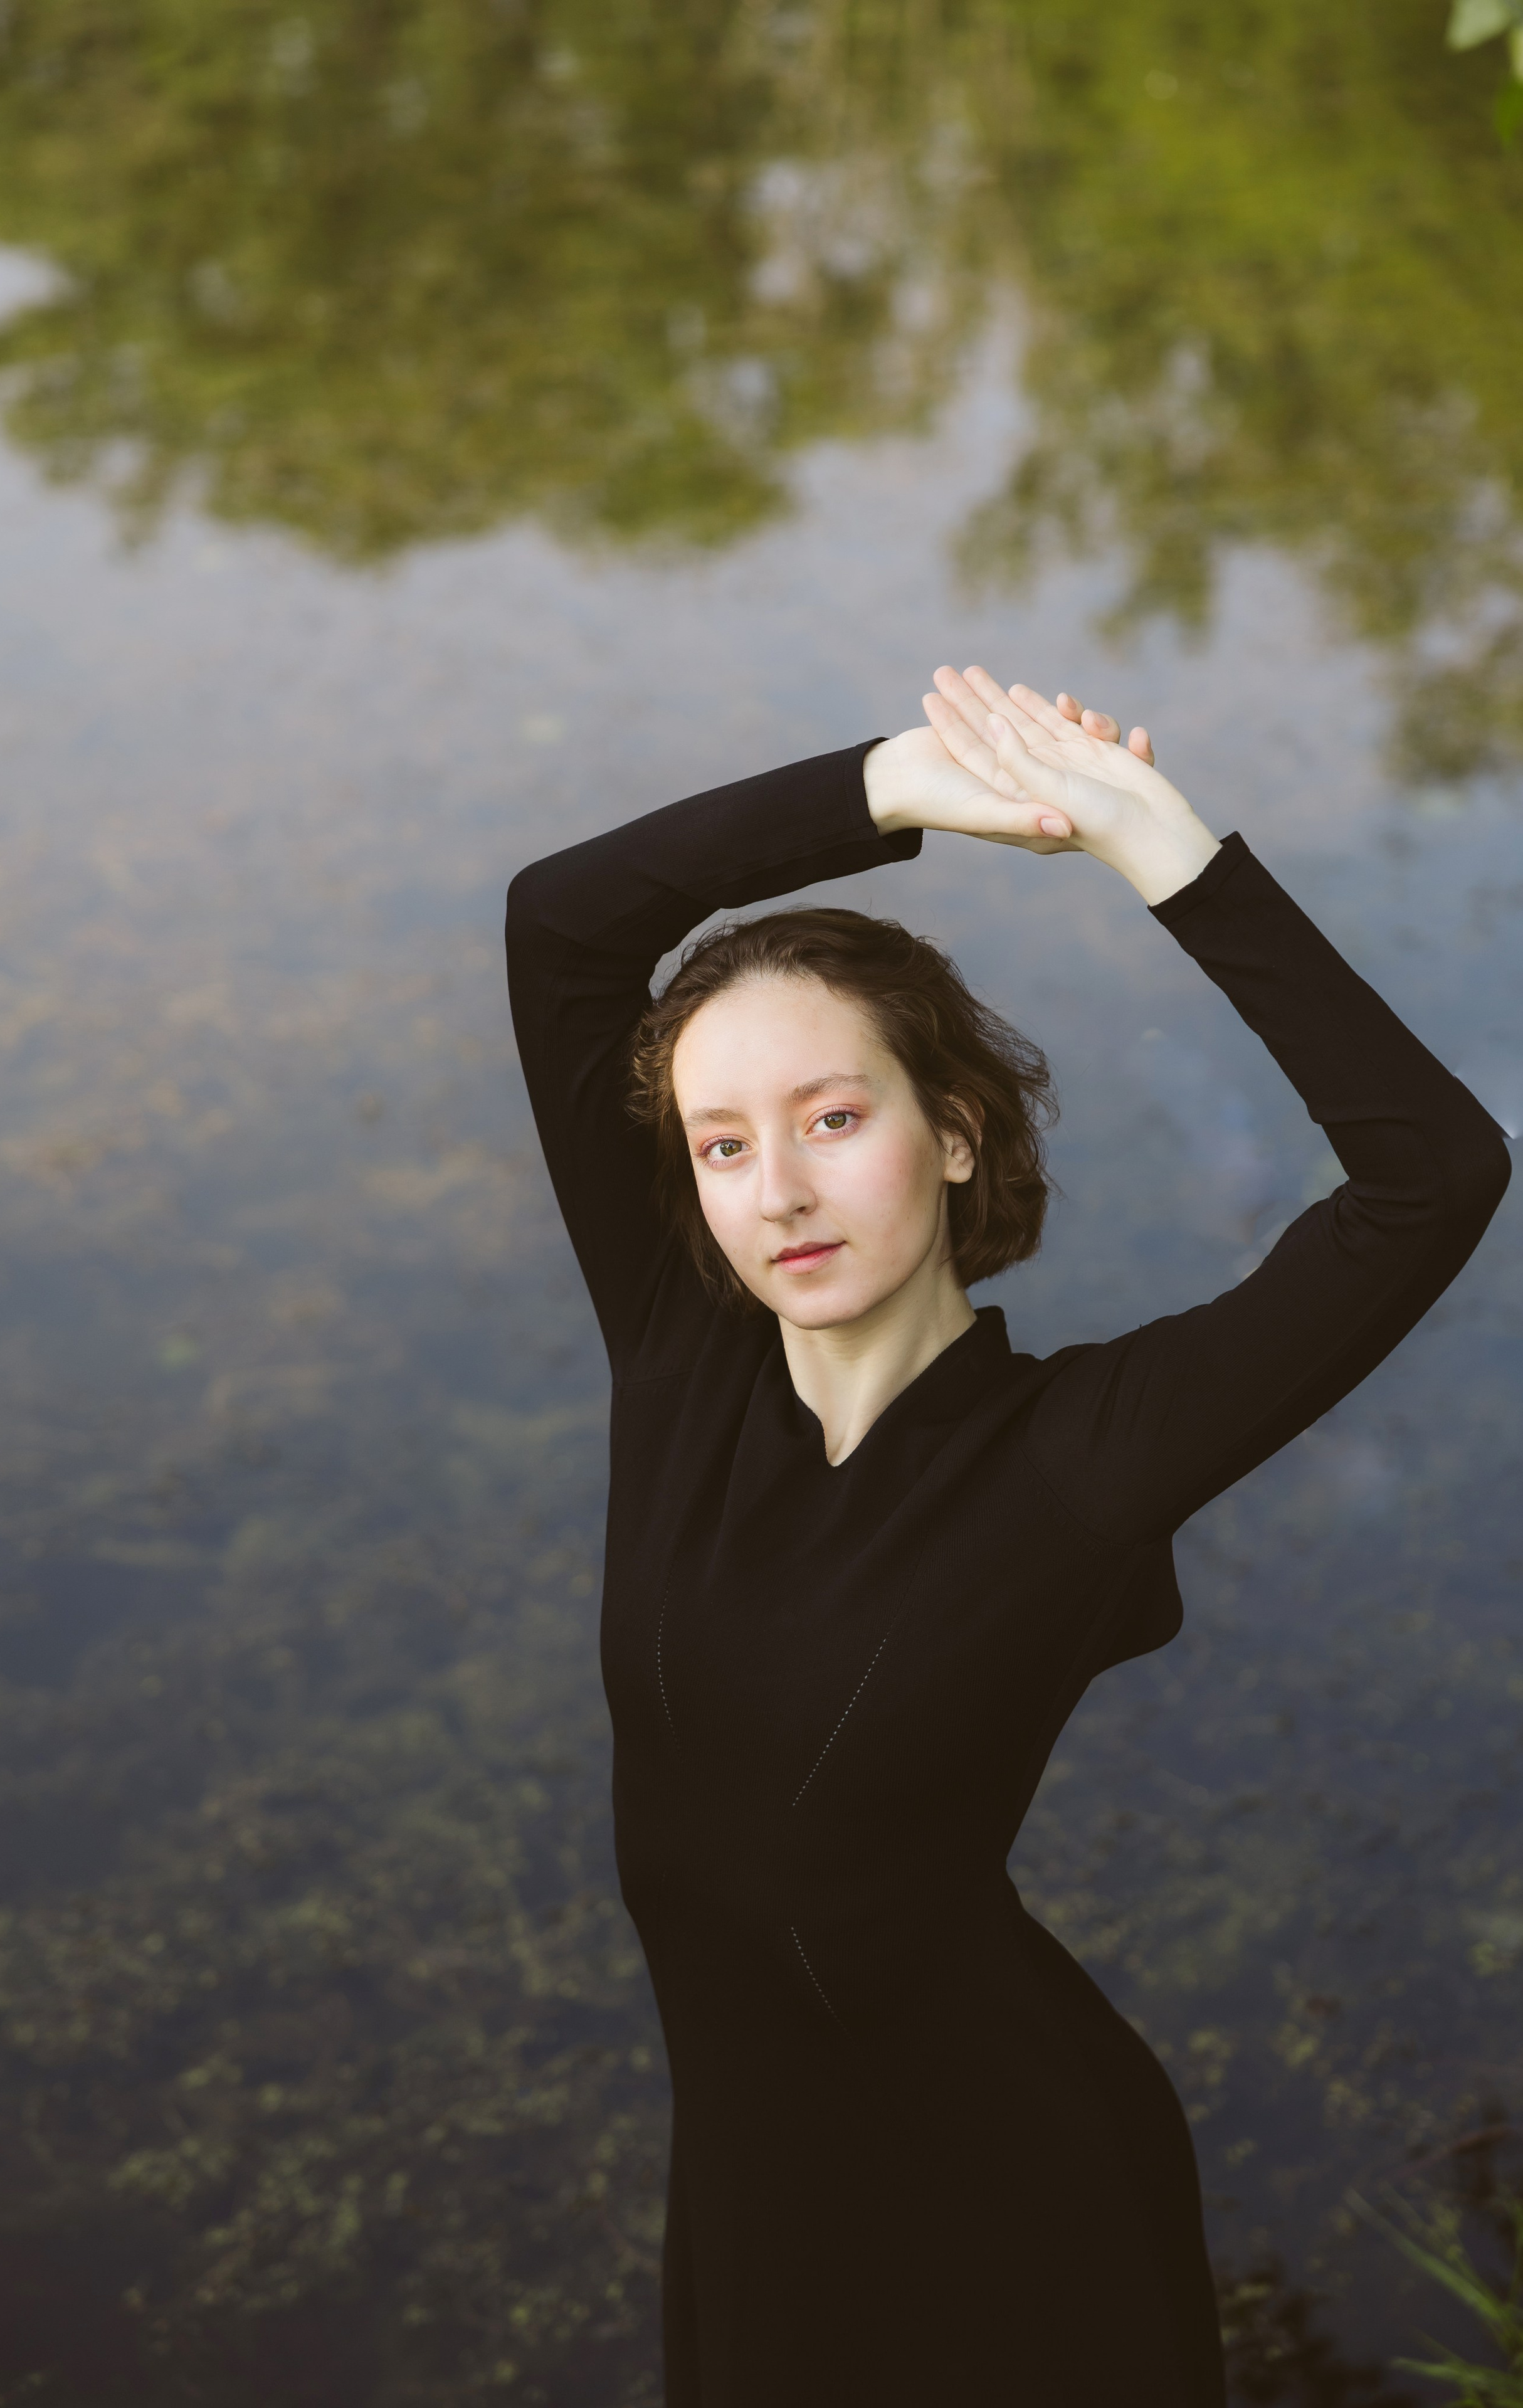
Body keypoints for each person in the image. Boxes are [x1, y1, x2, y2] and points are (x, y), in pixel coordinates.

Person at [504, 667, 1510, 2405]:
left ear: (954, 1133)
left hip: (1002, 2196)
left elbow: (1434, 1173)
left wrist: (1158, 846)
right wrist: (907, 784)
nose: (777, 1190)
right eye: (724, 1145)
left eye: (834, 1118)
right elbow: (563, 921)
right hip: (749, 2170)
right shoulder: (682, 1360)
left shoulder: (1079, 1459)